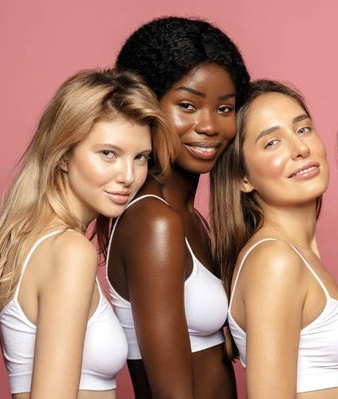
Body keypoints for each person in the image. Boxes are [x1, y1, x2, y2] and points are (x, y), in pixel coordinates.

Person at [0, 69, 178, 399]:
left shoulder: (30, 241)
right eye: (109, 154)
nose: (128, 176)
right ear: (63, 155)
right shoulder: (70, 251)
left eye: (141, 158)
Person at [106, 16, 250, 399]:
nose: (209, 126)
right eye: (188, 105)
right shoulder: (154, 221)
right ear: (146, 107)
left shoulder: (191, 218)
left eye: (225, 108)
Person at [211, 80, 338, 399]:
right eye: (271, 142)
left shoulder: (295, 255)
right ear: (243, 178)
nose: (300, 148)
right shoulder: (274, 261)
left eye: (303, 129)